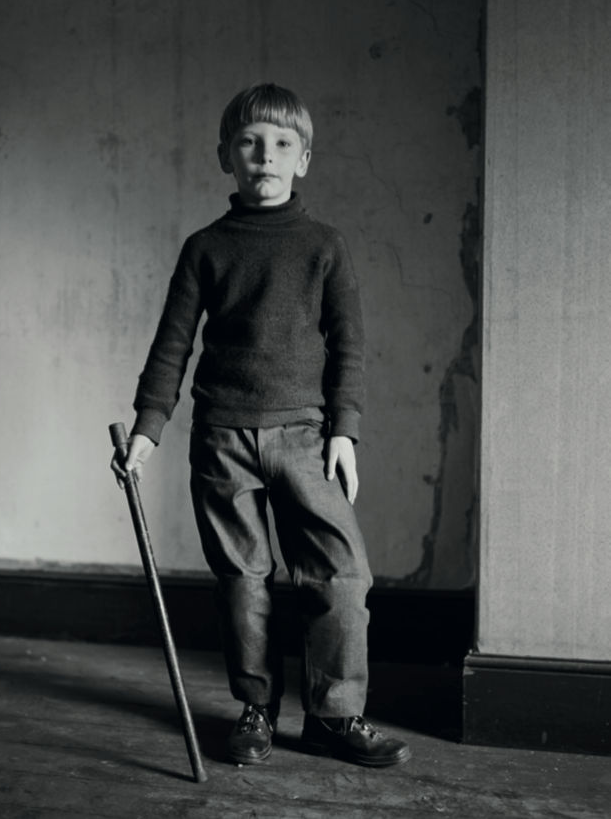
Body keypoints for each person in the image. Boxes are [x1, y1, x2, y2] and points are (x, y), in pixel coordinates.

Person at [112, 83, 410, 769]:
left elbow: (349, 345)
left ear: (303, 159)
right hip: (222, 438)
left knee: (340, 575)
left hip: (308, 438)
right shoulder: (205, 248)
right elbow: (171, 347)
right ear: (226, 156)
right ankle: (256, 710)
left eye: (281, 144)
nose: (265, 156)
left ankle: (335, 716)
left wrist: (345, 431)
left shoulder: (324, 246)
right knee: (243, 580)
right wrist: (147, 431)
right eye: (249, 143)